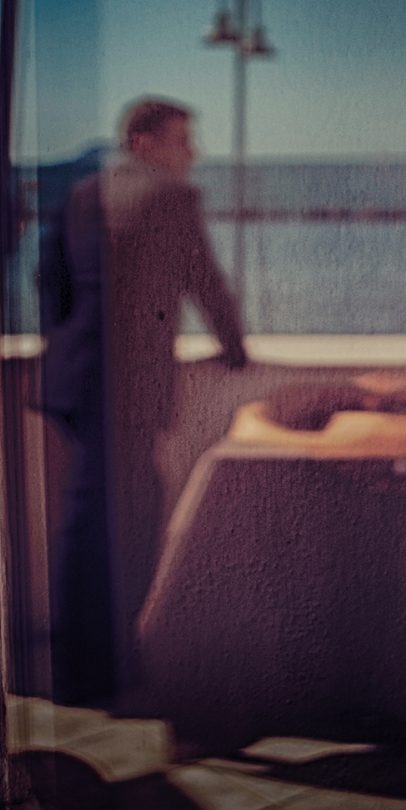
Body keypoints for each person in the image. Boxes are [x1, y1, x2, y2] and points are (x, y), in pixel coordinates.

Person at [40, 97, 247, 707]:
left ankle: (80, 668)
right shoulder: (170, 196)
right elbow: (204, 278)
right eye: (184, 141)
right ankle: (108, 669)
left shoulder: (85, 192)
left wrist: (69, 349)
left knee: (88, 521)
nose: (194, 154)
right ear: (144, 142)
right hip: (125, 391)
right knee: (129, 522)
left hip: (75, 381)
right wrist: (235, 349)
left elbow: (49, 281)